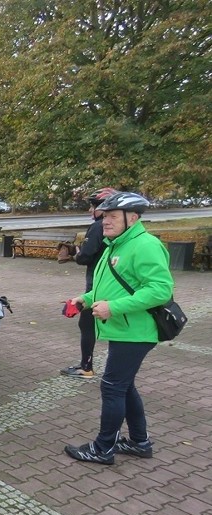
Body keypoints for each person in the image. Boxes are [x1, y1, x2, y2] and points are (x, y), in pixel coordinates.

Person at [64, 192, 173, 465]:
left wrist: (114, 308)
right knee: (124, 387)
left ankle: (102, 449)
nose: (105, 222)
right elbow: (107, 285)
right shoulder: (115, 245)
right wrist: (84, 299)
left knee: (112, 388)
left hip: (136, 331)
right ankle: (139, 442)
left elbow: (161, 290)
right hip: (124, 329)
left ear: (132, 218)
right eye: (104, 217)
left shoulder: (145, 245)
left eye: (112, 217)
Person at [60, 187, 117, 378]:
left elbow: (85, 257)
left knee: (86, 323)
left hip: (97, 283)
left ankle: (86, 367)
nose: (90, 210)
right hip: (113, 283)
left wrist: (76, 252)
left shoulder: (98, 226)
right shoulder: (119, 229)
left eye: (93, 206)